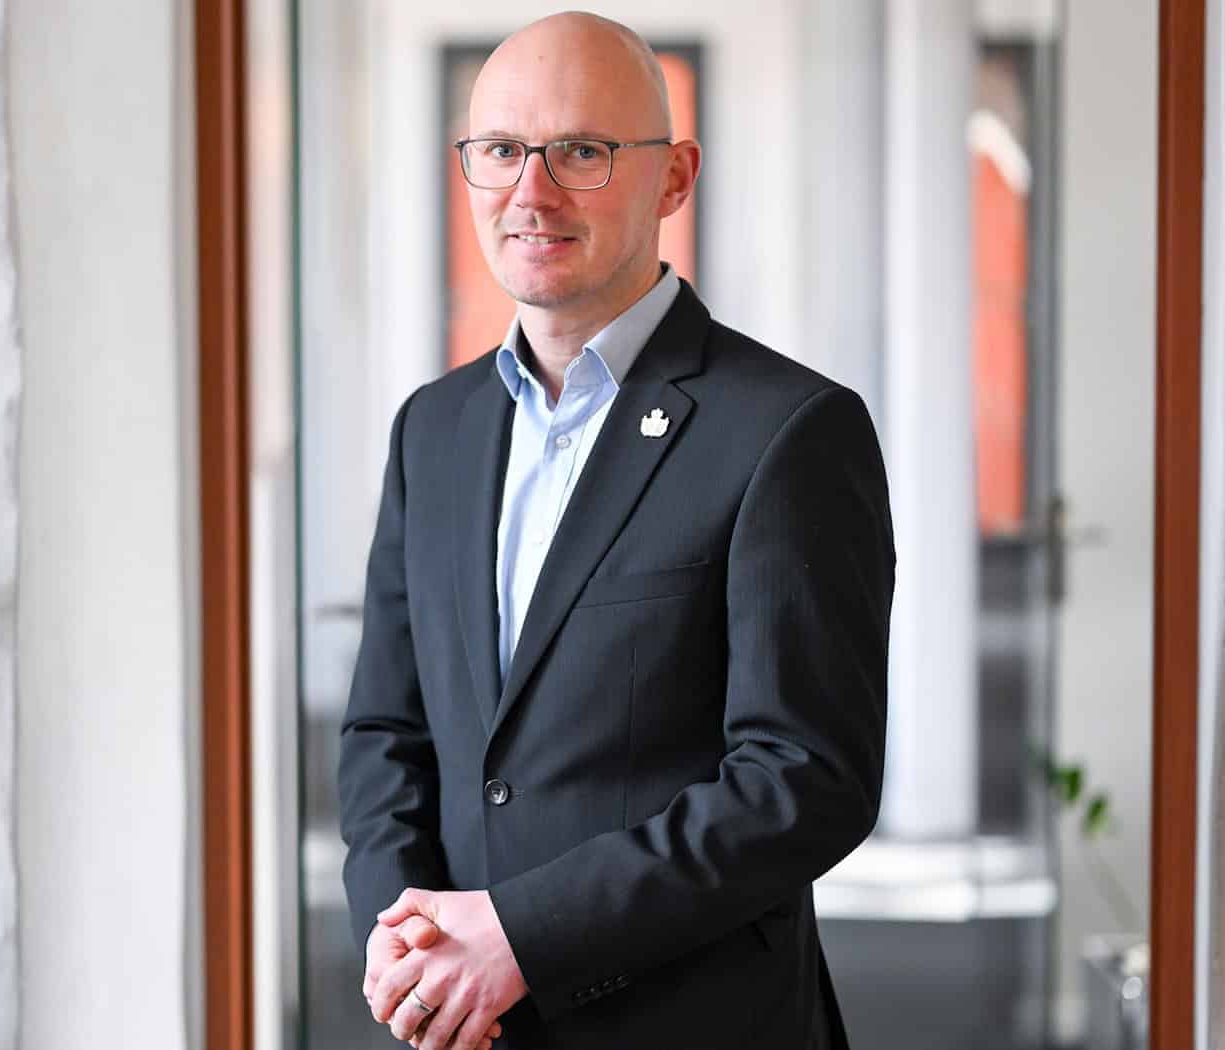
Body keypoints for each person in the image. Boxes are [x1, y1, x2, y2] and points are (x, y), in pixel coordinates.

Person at [338, 12, 895, 1050]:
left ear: (673, 178)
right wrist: (402, 937)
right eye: (500, 150)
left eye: (582, 151)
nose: (530, 192)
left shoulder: (788, 430)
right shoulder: (434, 429)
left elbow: (805, 778)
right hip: (463, 1026)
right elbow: (386, 730)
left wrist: (523, 936)